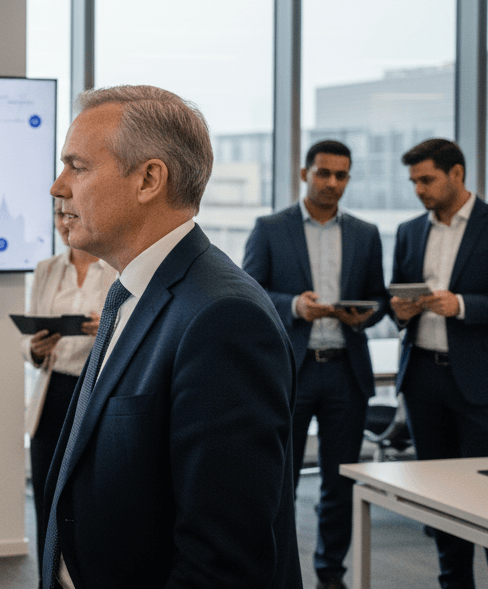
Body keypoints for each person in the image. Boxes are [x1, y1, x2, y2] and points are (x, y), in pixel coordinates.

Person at [40, 85, 300, 589]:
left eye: (78, 167)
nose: (57, 186)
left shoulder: (223, 318)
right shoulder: (136, 292)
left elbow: (223, 561)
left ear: (149, 179)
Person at [243, 138, 389, 589]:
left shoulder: (365, 233)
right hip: (291, 370)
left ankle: (330, 574)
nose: (332, 183)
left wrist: (367, 313)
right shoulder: (269, 228)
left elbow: (379, 298)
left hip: (346, 369)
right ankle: (277, 570)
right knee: (279, 479)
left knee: (339, 481)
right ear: (304, 174)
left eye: (341, 175)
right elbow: (247, 293)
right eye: (323, 173)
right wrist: (294, 306)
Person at [390, 137, 488, 589]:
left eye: (426, 179)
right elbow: (398, 294)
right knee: (440, 495)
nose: (419, 190)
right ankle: (455, 583)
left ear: (458, 174)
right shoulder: (410, 230)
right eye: (413, 181)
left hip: (484, 382)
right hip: (423, 376)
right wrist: (402, 310)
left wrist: (463, 305)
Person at [21, 218, 110, 575]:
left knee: (90, 499)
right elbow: (27, 340)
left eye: (70, 214)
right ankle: (47, 577)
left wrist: (105, 327)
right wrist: (36, 348)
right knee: (48, 496)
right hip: (52, 392)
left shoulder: (116, 268)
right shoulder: (47, 269)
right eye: (58, 215)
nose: (63, 222)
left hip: (95, 393)